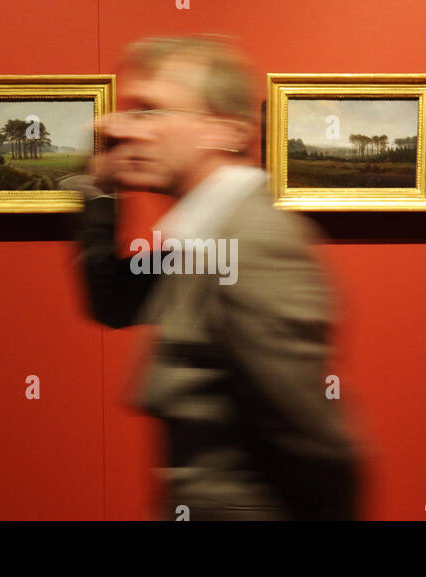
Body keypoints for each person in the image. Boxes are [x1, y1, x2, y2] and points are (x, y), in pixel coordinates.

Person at [61, 35, 361, 520]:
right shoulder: (200, 234)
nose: (124, 129)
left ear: (223, 130)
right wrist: (97, 185)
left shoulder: (252, 243)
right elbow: (113, 303)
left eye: (151, 111)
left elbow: (315, 441)